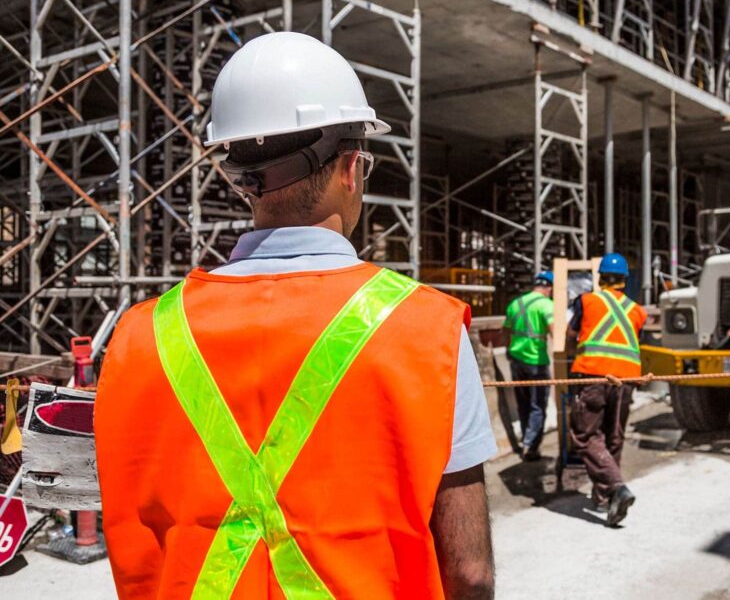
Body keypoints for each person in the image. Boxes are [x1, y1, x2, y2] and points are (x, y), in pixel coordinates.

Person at [94, 32, 497, 599]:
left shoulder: (141, 334)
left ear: (240, 178)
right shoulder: (427, 330)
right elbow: (470, 572)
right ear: (353, 168)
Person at [567, 253, 647, 527]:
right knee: (614, 436)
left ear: (600, 278)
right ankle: (605, 498)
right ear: (624, 280)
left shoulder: (587, 301)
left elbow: (570, 333)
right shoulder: (638, 310)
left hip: (595, 375)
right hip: (625, 380)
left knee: (585, 435)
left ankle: (616, 487)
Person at [502, 271, 555, 461]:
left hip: (516, 361)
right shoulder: (546, 305)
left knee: (523, 404)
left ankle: (526, 439)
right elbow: (554, 330)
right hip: (536, 362)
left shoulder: (515, 304)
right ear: (548, 287)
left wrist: (509, 349)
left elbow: (505, 330)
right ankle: (530, 447)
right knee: (538, 405)